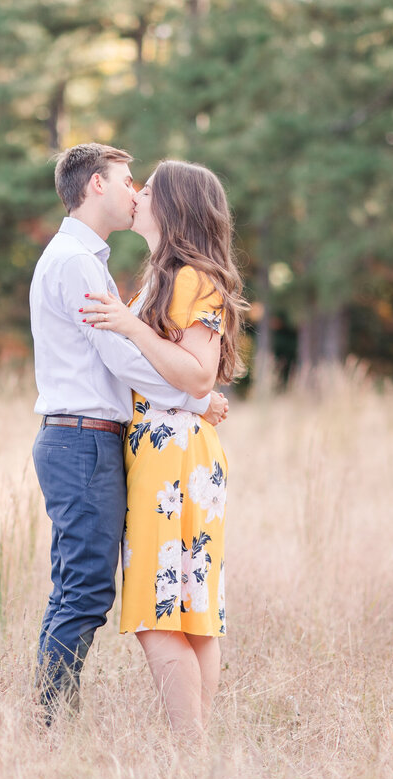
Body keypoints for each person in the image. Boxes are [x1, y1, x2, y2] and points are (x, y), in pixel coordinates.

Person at [29, 144, 229, 722]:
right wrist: (195, 395)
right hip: (86, 439)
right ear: (96, 185)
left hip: (123, 445)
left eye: (143, 184)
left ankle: (52, 721)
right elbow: (122, 358)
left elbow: (142, 355)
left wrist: (195, 393)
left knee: (143, 597)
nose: (135, 191)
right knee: (88, 591)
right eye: (125, 179)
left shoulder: (105, 265)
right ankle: (49, 721)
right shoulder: (77, 263)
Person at [80, 159, 247, 738]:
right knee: (189, 613)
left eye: (146, 189)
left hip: (175, 456)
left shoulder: (190, 278)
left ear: (172, 205)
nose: (135, 194)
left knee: (164, 614)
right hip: (174, 448)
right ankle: (194, 756)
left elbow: (198, 375)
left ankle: (189, 754)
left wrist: (130, 327)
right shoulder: (165, 276)